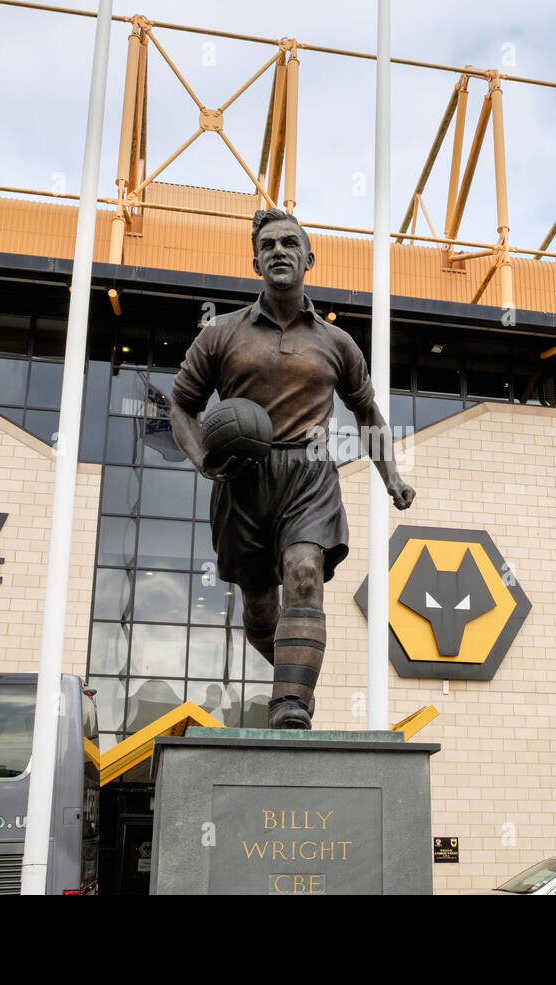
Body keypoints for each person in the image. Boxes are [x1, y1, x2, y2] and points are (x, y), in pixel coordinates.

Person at [169, 208, 415, 729]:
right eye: (268, 245)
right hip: (243, 477)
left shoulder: (336, 342)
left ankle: (290, 706)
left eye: (289, 243)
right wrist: (204, 461)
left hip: (309, 474)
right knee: (260, 610)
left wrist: (390, 474)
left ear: (308, 258)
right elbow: (181, 406)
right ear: (256, 260)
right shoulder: (220, 334)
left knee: (305, 573)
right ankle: (295, 680)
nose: (278, 250)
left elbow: (366, 411)